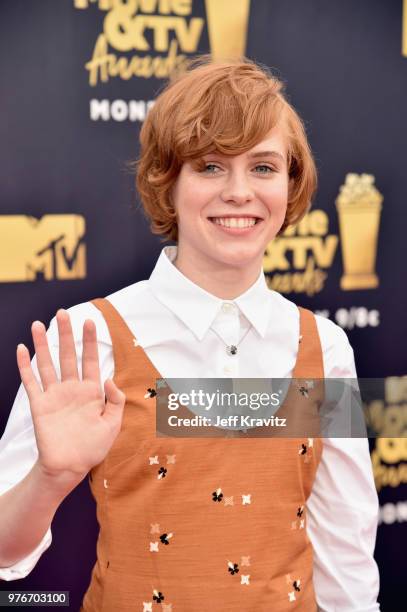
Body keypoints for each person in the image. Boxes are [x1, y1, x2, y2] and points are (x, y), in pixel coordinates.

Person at [0, 56, 380, 611]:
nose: (239, 191)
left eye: (264, 167)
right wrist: (51, 477)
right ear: (166, 181)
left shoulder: (324, 349)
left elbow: (345, 559)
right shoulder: (90, 336)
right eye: (209, 166)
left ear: (291, 185)